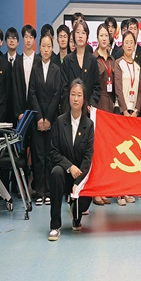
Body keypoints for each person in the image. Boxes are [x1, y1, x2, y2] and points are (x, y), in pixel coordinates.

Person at [47, 79, 94, 241]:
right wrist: (69, 167)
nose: (75, 98)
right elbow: (53, 152)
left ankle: (76, 216)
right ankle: (55, 226)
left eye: (79, 95)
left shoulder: (89, 124)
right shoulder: (60, 121)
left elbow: (88, 157)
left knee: (86, 197)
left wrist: (78, 181)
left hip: (79, 175)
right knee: (56, 172)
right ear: (68, 97)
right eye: (73, 94)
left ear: (84, 99)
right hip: (64, 172)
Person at [28, 32, 61, 206]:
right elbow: (32, 93)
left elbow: (57, 94)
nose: (46, 49)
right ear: (39, 48)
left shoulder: (57, 70)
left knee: (50, 157)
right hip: (37, 120)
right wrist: (40, 118)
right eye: (43, 46)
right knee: (38, 156)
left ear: (52, 48)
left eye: (49, 46)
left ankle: (49, 191)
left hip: (52, 120)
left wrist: (48, 118)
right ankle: (39, 192)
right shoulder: (35, 68)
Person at [113, 31, 141, 207]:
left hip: (134, 114)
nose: (129, 45)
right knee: (121, 152)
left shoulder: (138, 66)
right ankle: (119, 192)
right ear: (122, 45)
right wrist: (124, 110)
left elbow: (139, 90)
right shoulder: (118, 63)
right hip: (121, 112)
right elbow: (118, 88)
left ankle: (129, 189)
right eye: (127, 42)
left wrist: (136, 110)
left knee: (133, 152)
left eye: (132, 42)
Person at [92, 23, 115, 206]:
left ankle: (105, 188)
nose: (104, 38)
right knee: (96, 150)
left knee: (108, 149)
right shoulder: (93, 59)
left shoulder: (112, 60)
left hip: (111, 108)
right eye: (101, 35)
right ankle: (96, 191)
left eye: (106, 35)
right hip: (98, 105)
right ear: (97, 38)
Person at [60, 20, 101, 114]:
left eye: (83, 33)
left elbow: (96, 87)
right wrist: (67, 110)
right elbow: (64, 89)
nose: (80, 36)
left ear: (87, 36)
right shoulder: (67, 60)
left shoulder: (93, 60)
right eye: (77, 32)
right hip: (70, 111)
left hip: (87, 111)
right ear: (73, 35)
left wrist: (91, 104)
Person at [12, 24, 41, 124]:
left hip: (37, 112)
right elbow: (15, 89)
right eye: (26, 37)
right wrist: (18, 112)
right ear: (23, 39)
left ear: (34, 40)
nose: (28, 40)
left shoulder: (39, 61)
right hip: (21, 111)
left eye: (31, 37)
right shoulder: (17, 62)